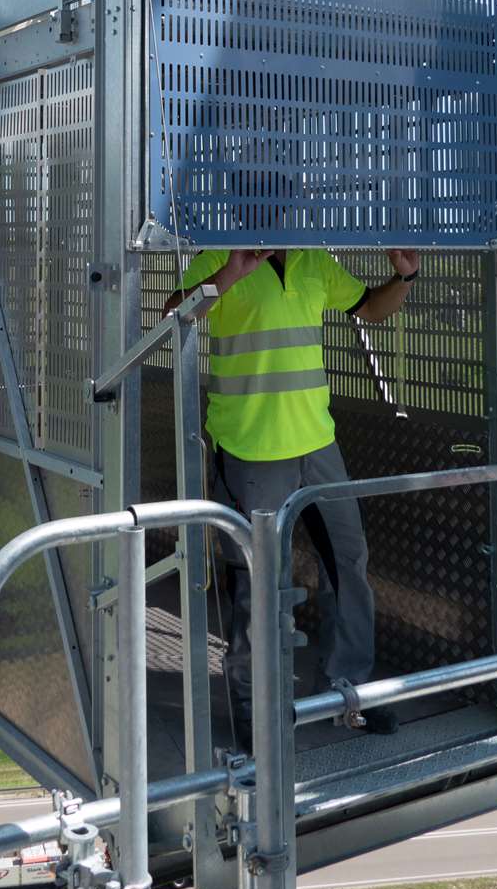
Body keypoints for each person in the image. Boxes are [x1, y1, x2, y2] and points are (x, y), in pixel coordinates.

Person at [163, 246, 419, 742]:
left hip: (318, 444)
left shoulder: (314, 261)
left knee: (348, 564)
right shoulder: (218, 257)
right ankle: (254, 717)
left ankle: (350, 695)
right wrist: (229, 275)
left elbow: (368, 308)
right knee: (257, 586)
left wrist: (406, 279)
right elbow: (174, 316)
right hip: (249, 447)